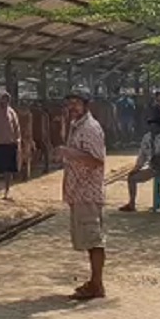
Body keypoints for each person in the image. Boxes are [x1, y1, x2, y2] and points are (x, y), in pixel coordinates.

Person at [60, 89, 107, 299]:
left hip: (88, 192)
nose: (72, 107)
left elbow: (97, 159)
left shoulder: (90, 128)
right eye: (70, 103)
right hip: (78, 192)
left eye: (76, 103)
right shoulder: (76, 126)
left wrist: (69, 153)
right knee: (88, 240)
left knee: (94, 240)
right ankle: (94, 282)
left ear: (85, 105)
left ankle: (97, 285)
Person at [120, 107, 160, 212]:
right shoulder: (147, 137)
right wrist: (136, 168)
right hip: (153, 168)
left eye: (155, 124)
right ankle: (131, 203)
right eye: (151, 124)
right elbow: (142, 155)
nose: (153, 126)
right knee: (132, 177)